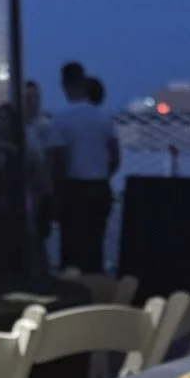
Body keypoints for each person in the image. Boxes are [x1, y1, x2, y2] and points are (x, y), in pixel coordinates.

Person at [47, 62, 119, 272]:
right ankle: (96, 285)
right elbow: (115, 157)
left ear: (64, 85)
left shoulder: (61, 119)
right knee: (94, 247)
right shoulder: (103, 118)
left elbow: (58, 161)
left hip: (73, 190)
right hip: (100, 188)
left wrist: (56, 192)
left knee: (71, 248)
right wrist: (103, 174)